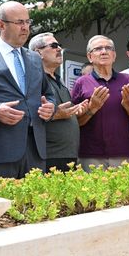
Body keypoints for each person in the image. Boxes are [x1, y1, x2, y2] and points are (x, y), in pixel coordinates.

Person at [0, 1, 55, 179]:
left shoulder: (35, 59)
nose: (25, 28)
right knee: (1, 206)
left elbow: (49, 94)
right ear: (1, 25)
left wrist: (50, 108)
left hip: (35, 152)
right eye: (19, 22)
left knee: (36, 205)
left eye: (27, 22)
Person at [71, 35, 129, 172]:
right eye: (98, 49)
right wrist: (92, 109)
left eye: (108, 48)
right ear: (90, 57)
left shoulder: (127, 80)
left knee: (128, 193)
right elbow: (73, 123)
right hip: (91, 155)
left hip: (124, 153)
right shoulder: (81, 83)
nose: (104, 51)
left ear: (114, 55)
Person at [29, 33, 88, 171]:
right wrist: (56, 113)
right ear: (39, 53)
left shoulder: (59, 81)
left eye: (59, 45)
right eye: (54, 46)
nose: (59, 49)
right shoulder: (33, 80)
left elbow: (65, 112)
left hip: (70, 155)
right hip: (49, 156)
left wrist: (81, 110)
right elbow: (30, 114)